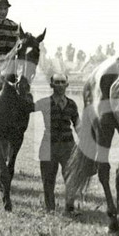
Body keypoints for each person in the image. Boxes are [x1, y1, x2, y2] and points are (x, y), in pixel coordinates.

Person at [34, 72, 80, 213]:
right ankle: (50, 208)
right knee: (48, 180)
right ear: (51, 85)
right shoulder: (43, 103)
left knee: (71, 178)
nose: (59, 85)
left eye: (62, 82)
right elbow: (24, 109)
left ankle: (69, 207)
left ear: (67, 85)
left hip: (68, 147)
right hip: (49, 146)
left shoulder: (72, 104)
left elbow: (78, 125)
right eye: (57, 82)